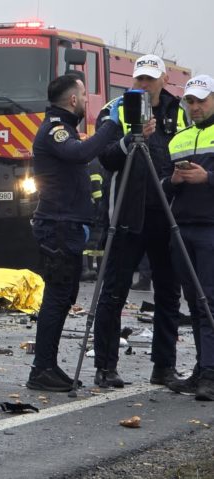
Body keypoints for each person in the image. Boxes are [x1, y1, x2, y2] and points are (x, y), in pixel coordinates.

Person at [91, 55, 188, 388]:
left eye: (150, 79)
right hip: (127, 213)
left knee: (169, 292)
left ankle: (164, 366)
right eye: (140, 79)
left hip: (167, 212)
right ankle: (105, 367)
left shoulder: (179, 111)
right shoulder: (116, 109)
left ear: (163, 79)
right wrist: (131, 138)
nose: (144, 85)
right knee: (114, 292)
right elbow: (105, 157)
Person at [25, 74, 121, 392]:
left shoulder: (65, 127)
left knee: (65, 296)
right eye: (84, 95)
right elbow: (80, 153)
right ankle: (41, 369)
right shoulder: (56, 129)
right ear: (73, 100)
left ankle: (48, 365)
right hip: (58, 226)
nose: (87, 100)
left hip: (66, 224)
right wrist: (111, 125)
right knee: (57, 297)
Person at [163, 74, 214, 400]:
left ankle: (210, 373)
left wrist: (208, 177)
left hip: (210, 229)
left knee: (209, 302)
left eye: (201, 101)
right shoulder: (178, 139)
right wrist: (174, 181)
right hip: (183, 229)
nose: (195, 107)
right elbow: (162, 186)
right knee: (195, 304)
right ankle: (201, 369)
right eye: (190, 101)